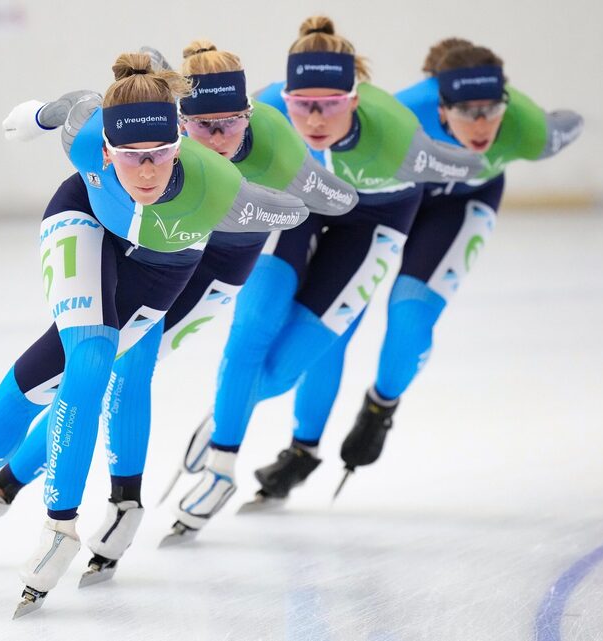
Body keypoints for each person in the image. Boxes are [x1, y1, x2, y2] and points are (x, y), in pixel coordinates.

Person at [0, 52, 310, 617]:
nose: (147, 172)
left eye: (162, 156)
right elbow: (69, 107)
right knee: (89, 363)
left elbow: (298, 208)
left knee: (119, 371)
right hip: (85, 221)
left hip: (168, 265)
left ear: (180, 145)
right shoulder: (87, 133)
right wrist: (36, 115)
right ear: (103, 150)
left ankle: (89, 508)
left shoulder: (223, 190)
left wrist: (294, 161)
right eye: (131, 158)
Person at [0, 40, 359, 586]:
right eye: (200, 126)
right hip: (153, 253)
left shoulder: (274, 150)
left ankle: (71, 494)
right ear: (178, 119)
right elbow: (89, 107)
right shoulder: (153, 145)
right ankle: (18, 487)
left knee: (126, 373)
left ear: (249, 115)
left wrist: (321, 164)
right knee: (101, 367)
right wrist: (39, 116)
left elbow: (338, 201)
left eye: (231, 125)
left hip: (215, 264)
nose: (215, 139)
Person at [164, 16, 486, 540]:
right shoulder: (263, 106)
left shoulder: (398, 134)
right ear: (282, 96)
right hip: (297, 206)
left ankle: (243, 419)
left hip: (374, 223)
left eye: (330, 103)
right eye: (301, 102)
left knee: (292, 365)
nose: (313, 118)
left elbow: (472, 165)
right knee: (251, 328)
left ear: (355, 99)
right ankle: (222, 465)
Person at [253, 37, 585, 500]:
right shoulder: (407, 112)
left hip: (461, 206)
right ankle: (303, 448)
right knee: (335, 326)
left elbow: (568, 124)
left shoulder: (528, 129)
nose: (482, 123)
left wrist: (560, 121)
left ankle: (380, 406)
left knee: (410, 319)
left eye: (492, 109)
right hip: (394, 205)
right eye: (465, 111)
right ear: (439, 103)